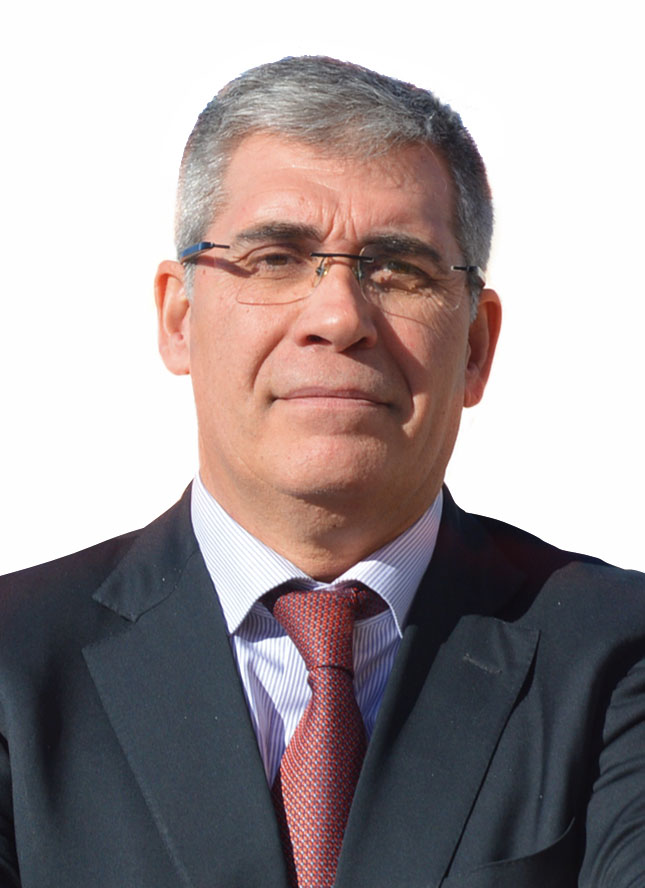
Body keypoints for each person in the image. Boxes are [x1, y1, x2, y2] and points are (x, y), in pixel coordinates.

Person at [0, 56, 644, 888]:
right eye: (274, 258)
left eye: (398, 268)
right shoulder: (14, 664)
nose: (338, 317)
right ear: (178, 318)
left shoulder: (616, 656)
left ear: (476, 346)